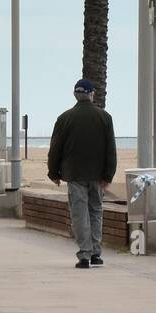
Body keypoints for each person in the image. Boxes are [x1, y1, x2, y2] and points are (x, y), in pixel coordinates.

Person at [46, 79, 117, 269]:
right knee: (96, 211)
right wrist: (108, 175)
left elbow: (55, 149)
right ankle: (96, 254)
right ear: (92, 94)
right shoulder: (105, 117)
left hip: (74, 174)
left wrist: (53, 172)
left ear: (75, 95)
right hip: (97, 175)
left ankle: (84, 255)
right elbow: (111, 149)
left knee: (79, 214)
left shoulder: (64, 118)